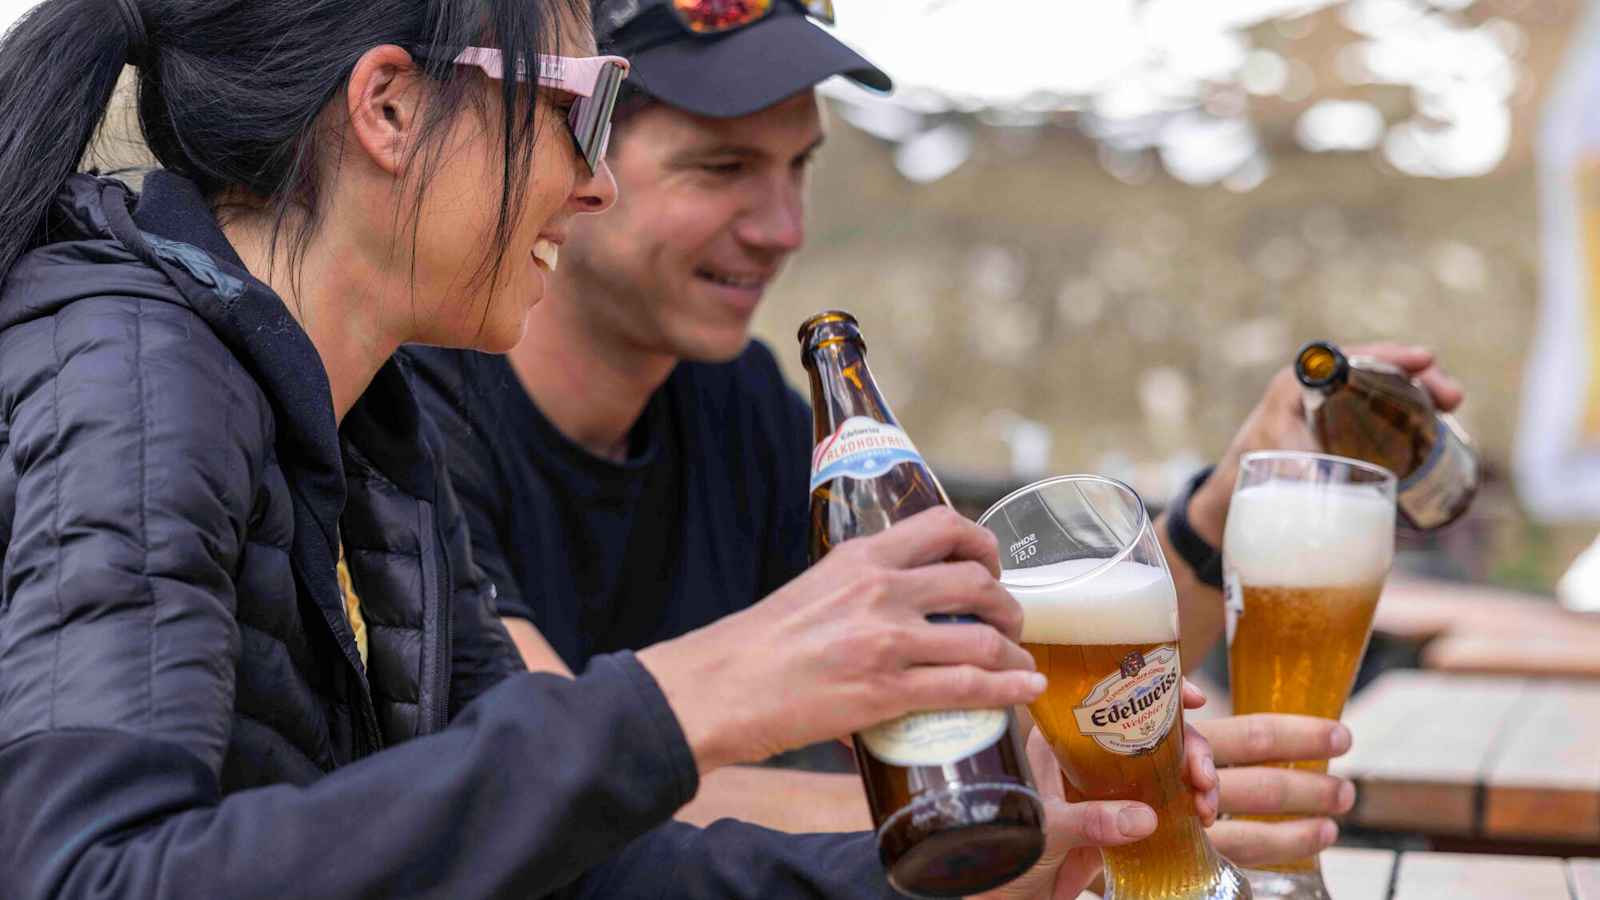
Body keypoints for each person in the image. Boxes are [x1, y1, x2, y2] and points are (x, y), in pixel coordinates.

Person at [0, 1, 1215, 898]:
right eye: (580, 112)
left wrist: (931, 877)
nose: (592, 188)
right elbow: (90, 878)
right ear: (388, 108)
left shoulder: (364, 419)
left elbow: (542, 865)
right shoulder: (136, 377)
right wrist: (688, 699)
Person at [405, 0, 1454, 863]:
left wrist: (1217, 514)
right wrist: (1021, 807)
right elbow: (565, 788)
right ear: (572, 152)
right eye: (720, 169)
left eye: (799, 166)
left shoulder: (741, 405)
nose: (783, 228)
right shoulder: (416, 414)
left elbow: (995, 677)